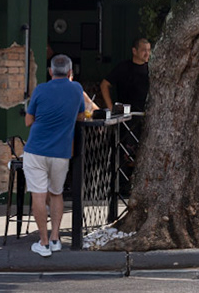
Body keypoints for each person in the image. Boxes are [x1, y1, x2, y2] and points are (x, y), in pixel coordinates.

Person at [22, 53, 93, 257]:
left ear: (50, 71)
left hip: (36, 150)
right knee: (56, 193)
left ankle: (43, 243)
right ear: (70, 72)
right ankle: (55, 239)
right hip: (61, 152)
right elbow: (81, 115)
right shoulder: (76, 89)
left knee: (38, 195)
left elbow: (28, 121)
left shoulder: (40, 89)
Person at [100, 37, 152, 113]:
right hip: (126, 115)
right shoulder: (123, 67)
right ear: (134, 51)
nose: (147, 54)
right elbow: (104, 85)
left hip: (146, 114)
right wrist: (111, 107)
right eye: (144, 50)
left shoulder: (151, 69)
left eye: (149, 50)